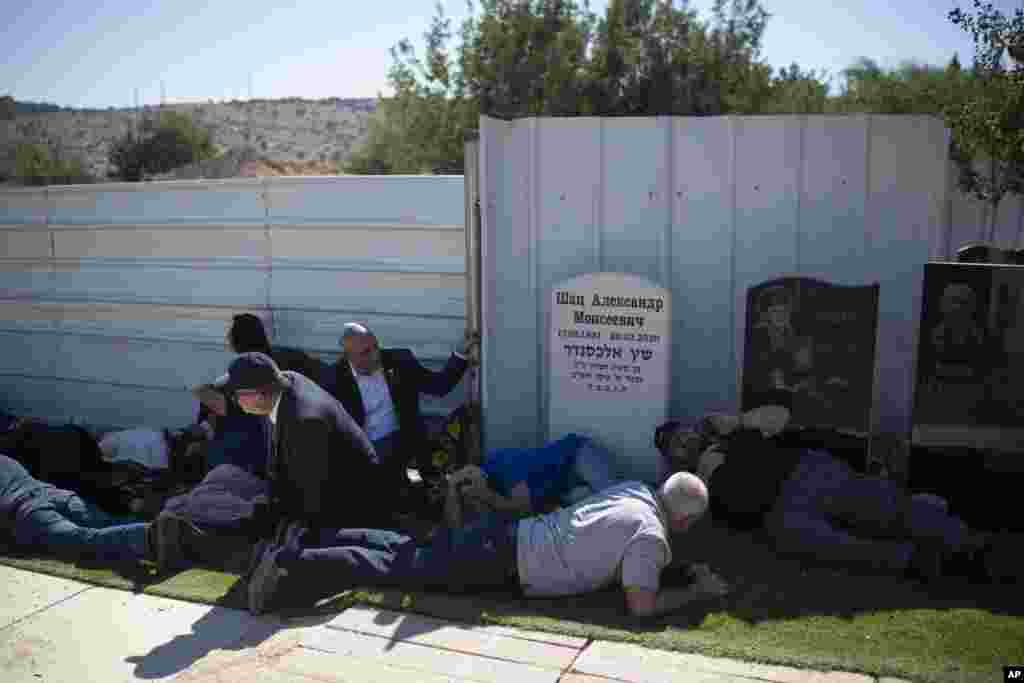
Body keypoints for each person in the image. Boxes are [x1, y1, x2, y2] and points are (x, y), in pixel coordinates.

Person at [244, 471, 730, 617]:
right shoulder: (651, 537)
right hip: (509, 564)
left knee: (407, 549)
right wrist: (698, 593)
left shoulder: (634, 490)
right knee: (398, 568)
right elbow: (641, 606)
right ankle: (291, 560)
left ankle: (311, 540)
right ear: (684, 520)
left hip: (511, 538)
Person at [657, 409, 1013, 584]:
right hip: (778, 516)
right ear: (676, 459)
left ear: (692, 427)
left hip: (806, 472)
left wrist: (736, 421)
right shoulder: (687, 483)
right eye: (675, 446)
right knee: (842, 548)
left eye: (681, 433)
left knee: (889, 509)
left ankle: (972, 544)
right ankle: (929, 563)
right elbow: (697, 518)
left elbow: (781, 416)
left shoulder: (730, 429)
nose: (682, 441)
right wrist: (701, 472)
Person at [154, 352, 386, 571]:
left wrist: (253, 511)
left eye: (235, 394)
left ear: (258, 395)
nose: (231, 399)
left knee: (211, 507)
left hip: (341, 506)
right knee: (224, 475)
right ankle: (187, 512)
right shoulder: (286, 382)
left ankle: (188, 524)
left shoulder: (306, 423)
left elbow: (306, 499)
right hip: (303, 488)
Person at [328, 323, 478, 490]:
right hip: (363, 450)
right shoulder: (334, 378)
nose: (376, 356)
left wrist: (460, 353)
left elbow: (438, 386)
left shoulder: (399, 361)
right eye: (366, 353)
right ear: (348, 357)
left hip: (401, 443)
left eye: (376, 347)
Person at [191, 313, 328, 473]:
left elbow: (222, 398)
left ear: (238, 340)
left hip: (261, 441)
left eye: (230, 335)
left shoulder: (246, 370)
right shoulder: (290, 356)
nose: (227, 338)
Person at [0, 453, 152, 566]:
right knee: (108, 521)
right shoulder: (4, 459)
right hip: (55, 494)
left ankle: (148, 538)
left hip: (26, 509)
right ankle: (159, 528)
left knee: (81, 540)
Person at [443, 432, 619, 526]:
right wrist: (452, 487)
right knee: (598, 513)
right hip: (567, 490)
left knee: (616, 499)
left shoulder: (500, 464)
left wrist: (486, 495)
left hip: (577, 454)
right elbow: (456, 528)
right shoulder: (492, 498)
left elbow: (523, 508)